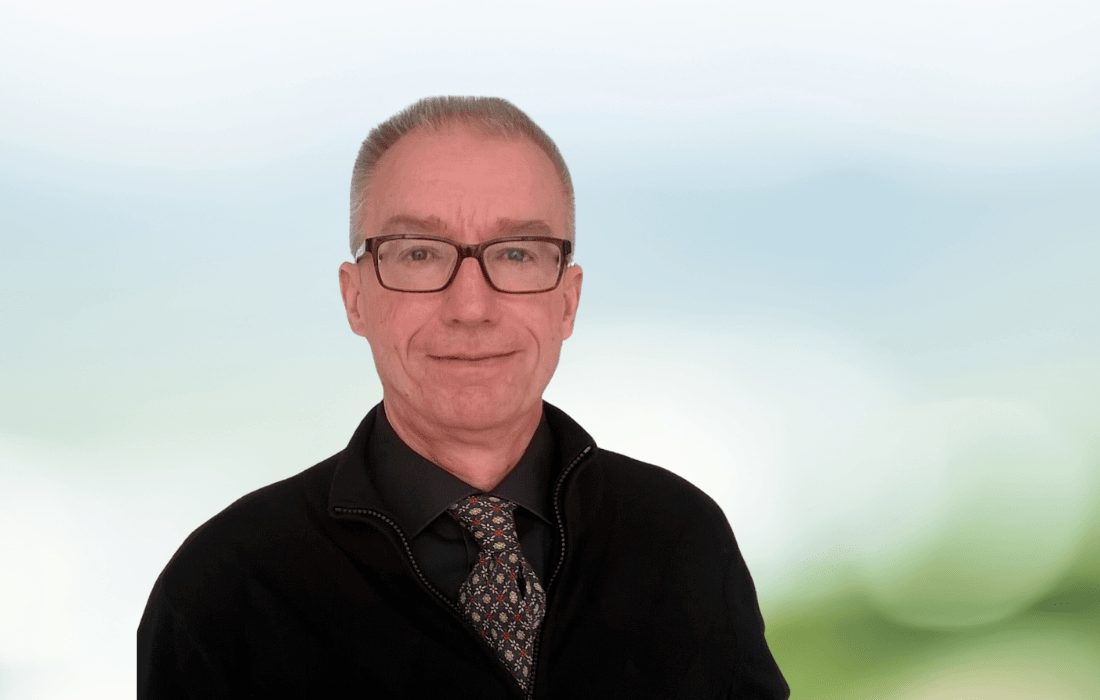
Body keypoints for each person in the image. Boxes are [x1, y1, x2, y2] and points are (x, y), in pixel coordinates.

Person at [138, 96, 789, 699]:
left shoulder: (680, 537)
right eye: (420, 254)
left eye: (516, 254)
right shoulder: (224, 588)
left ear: (568, 301)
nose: (471, 307)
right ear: (355, 298)